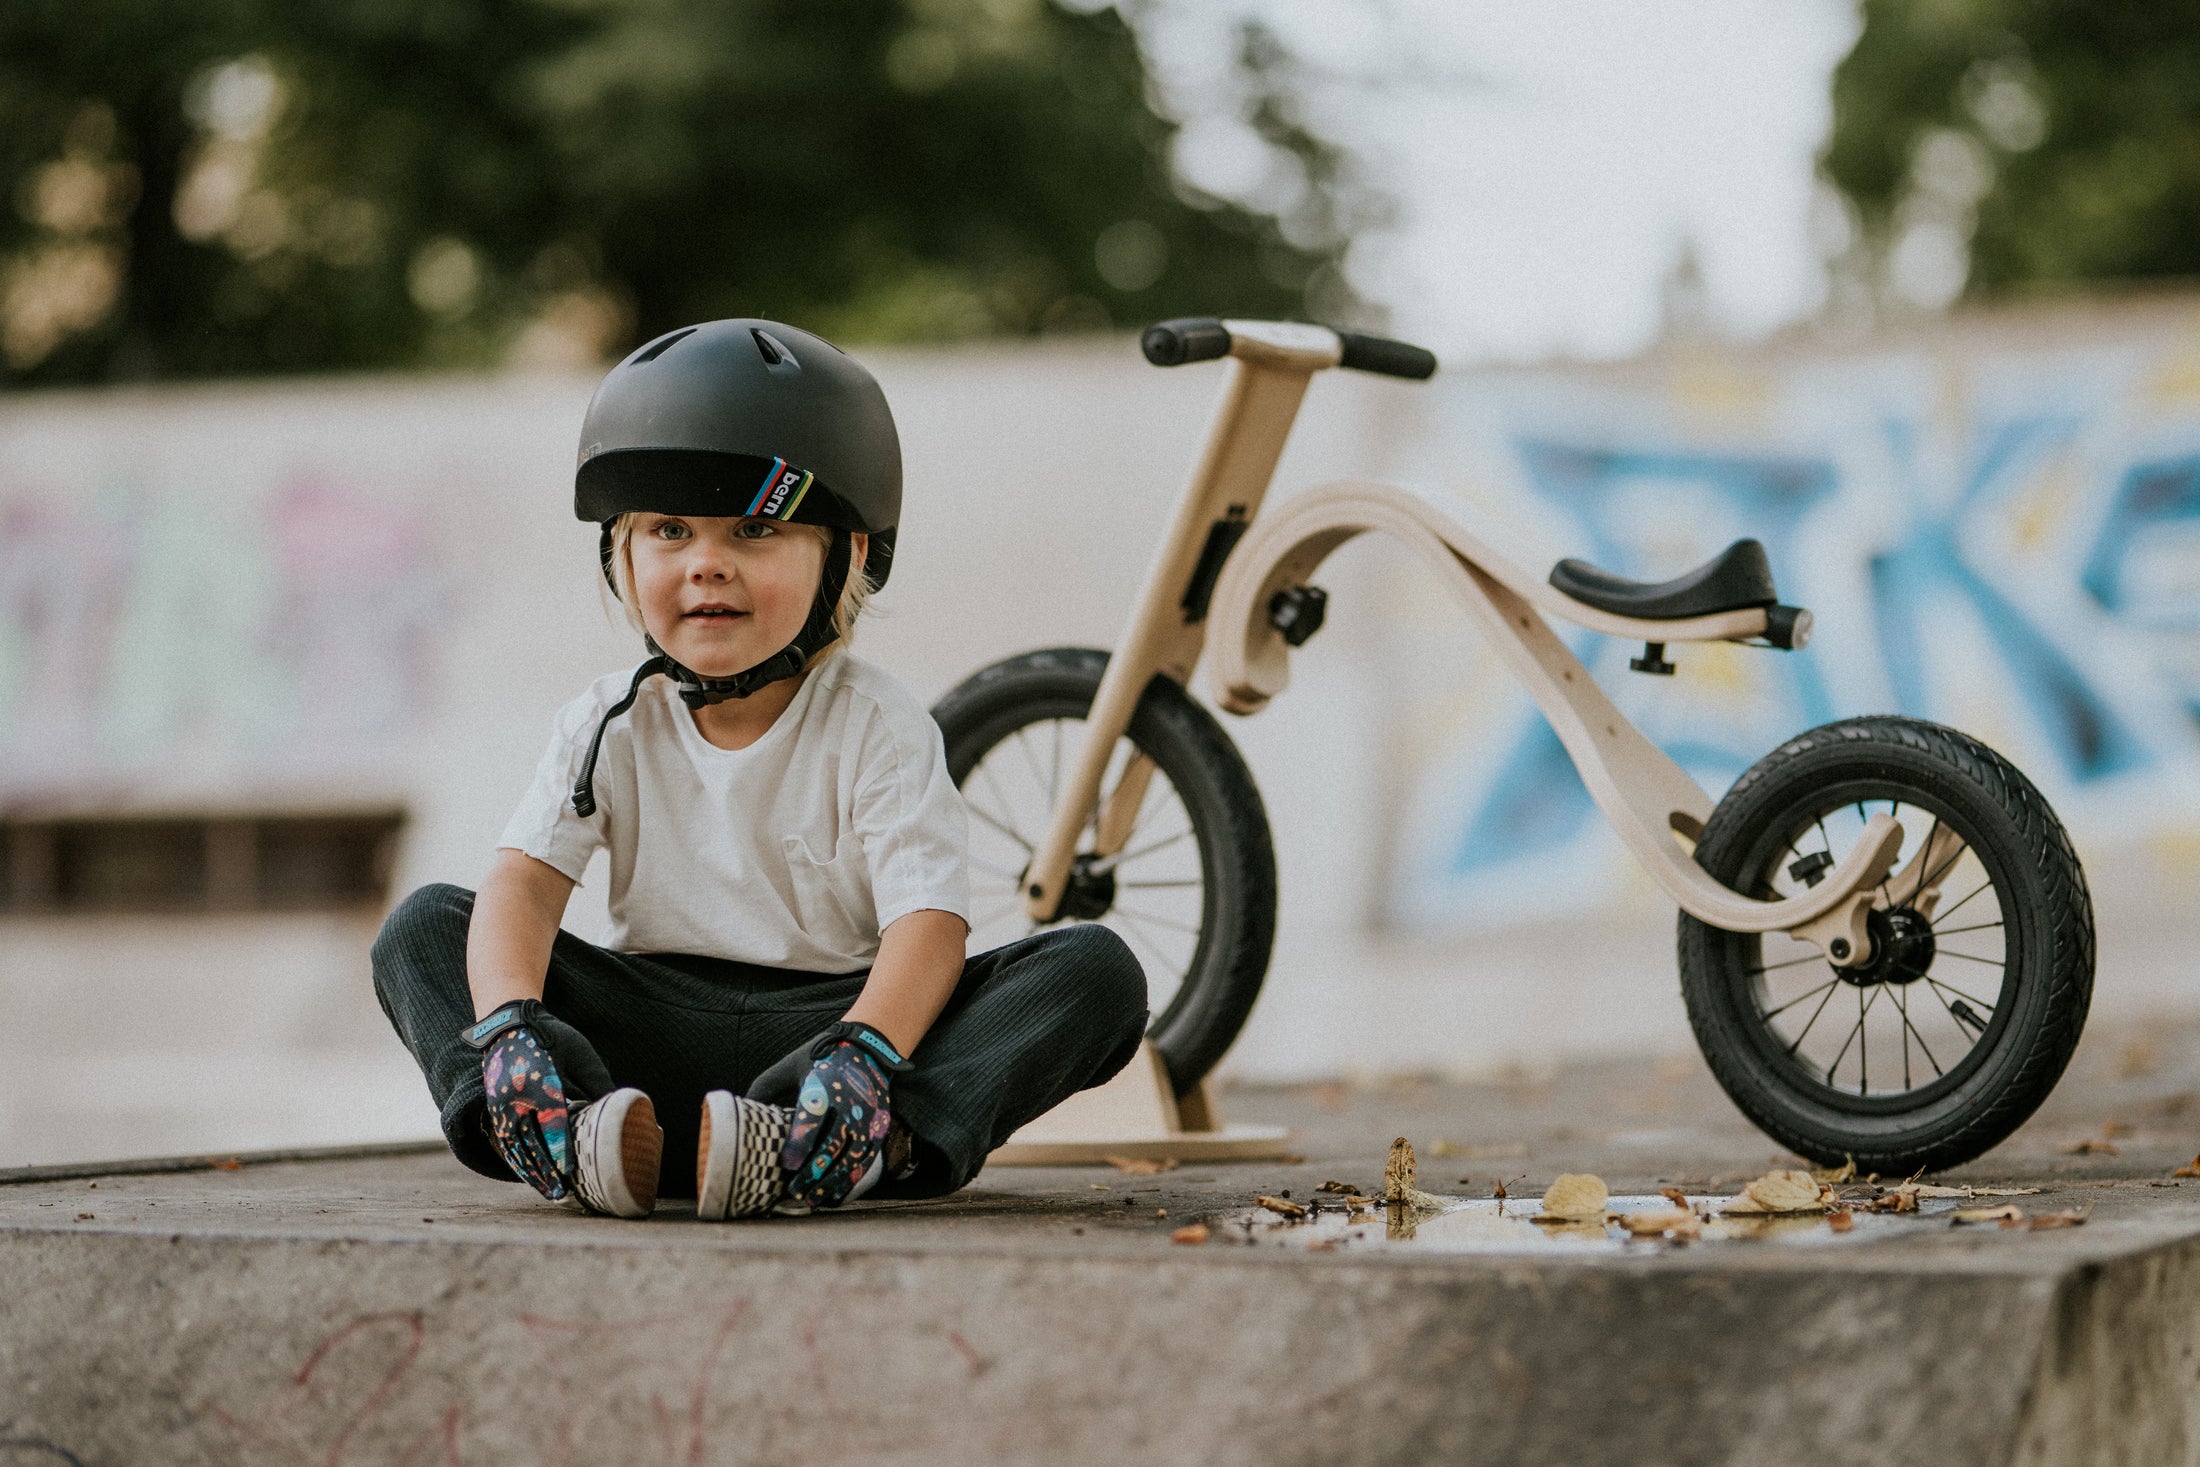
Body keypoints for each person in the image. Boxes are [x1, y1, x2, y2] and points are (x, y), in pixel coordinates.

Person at [371, 319, 1149, 1219]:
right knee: (423, 926)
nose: (707, 562)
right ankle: (569, 1136)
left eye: (753, 527)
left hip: (831, 1042)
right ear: (620, 555)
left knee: (1097, 970)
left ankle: (860, 1144)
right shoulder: (606, 719)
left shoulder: (878, 724)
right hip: (642, 1034)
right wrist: (510, 1029)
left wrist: (864, 1052)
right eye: (669, 528)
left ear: (847, 555)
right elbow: (523, 889)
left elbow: (928, 928)